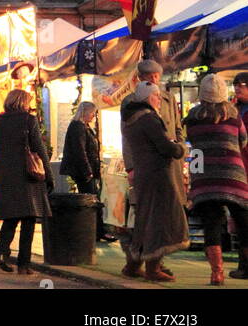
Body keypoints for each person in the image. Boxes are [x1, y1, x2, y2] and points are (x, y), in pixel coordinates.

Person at [184, 74, 248, 284]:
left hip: (204, 176)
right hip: (234, 176)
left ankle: (217, 273)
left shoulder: (193, 117)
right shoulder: (233, 115)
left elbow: (192, 145)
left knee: (211, 222)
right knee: (243, 222)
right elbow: (244, 140)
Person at [121, 81, 188, 282]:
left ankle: (132, 265)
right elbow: (164, 146)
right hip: (158, 174)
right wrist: (179, 148)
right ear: (150, 98)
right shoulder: (149, 119)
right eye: (157, 96)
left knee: (144, 219)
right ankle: (153, 267)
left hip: (144, 174)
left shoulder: (131, 119)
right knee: (160, 220)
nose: (159, 100)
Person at [0, 88, 53, 275]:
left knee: (10, 218)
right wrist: (48, 175)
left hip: (6, 176)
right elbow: (39, 149)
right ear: (23, 102)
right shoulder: (28, 120)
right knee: (28, 220)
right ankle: (23, 264)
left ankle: (2, 251)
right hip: (27, 176)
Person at [61, 101, 111, 242]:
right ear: (86, 112)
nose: (93, 116)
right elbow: (79, 151)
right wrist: (87, 170)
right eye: (92, 113)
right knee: (91, 199)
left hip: (86, 169)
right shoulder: (78, 127)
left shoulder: (82, 126)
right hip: (83, 171)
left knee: (92, 199)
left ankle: (97, 231)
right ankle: (96, 231)